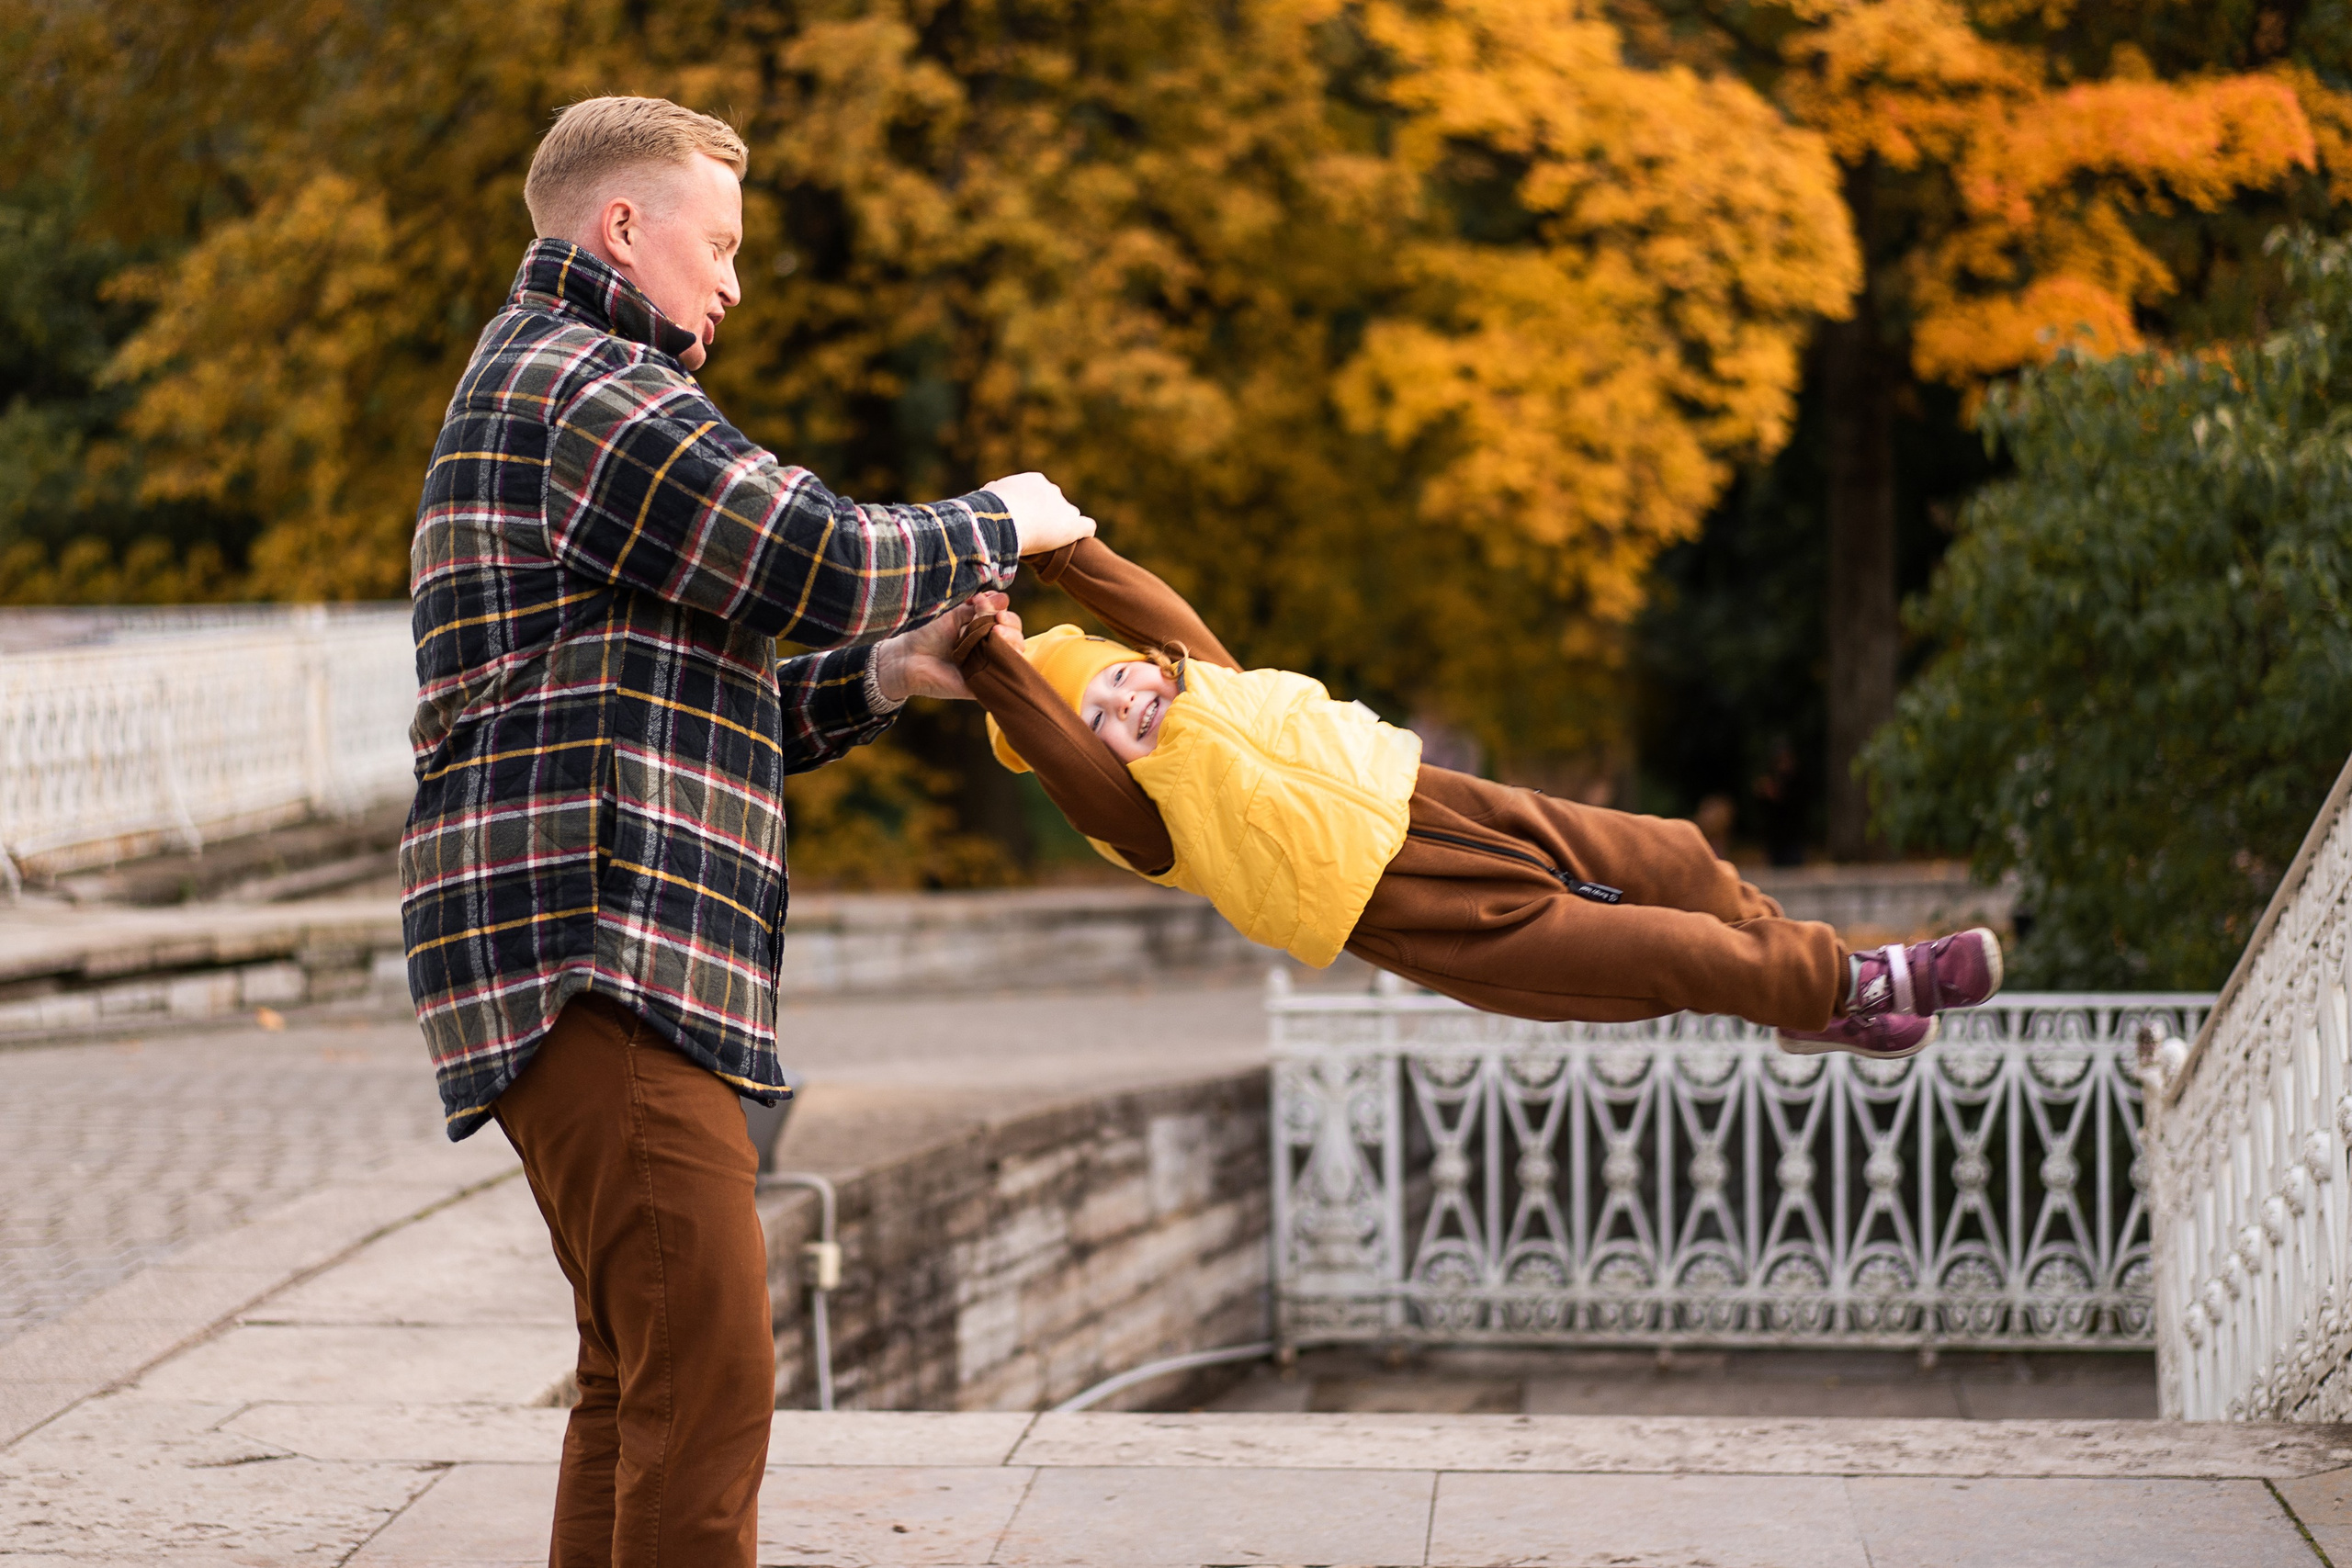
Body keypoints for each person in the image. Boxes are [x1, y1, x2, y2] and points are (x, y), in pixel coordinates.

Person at [400, 96, 1093, 1567]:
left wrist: (894, 673)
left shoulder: (564, 388)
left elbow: (693, 717)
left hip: (574, 934)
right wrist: (1004, 515)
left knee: (641, 1376)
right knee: (709, 1376)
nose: (732, 284)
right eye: (715, 247)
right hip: (597, 945)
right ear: (622, 228)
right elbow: (819, 550)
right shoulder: (586, 383)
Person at [956, 537, 2004, 1055]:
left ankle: (1802, 1005)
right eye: (1093, 717)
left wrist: (1065, 549)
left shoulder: (1205, 681)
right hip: (1405, 908)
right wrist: (998, 667)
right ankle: (1855, 980)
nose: (1123, 705)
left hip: (1436, 798)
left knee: (1674, 858)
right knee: (1666, 951)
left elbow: (1149, 609)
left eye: (1117, 677)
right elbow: (1076, 763)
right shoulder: (1145, 818)